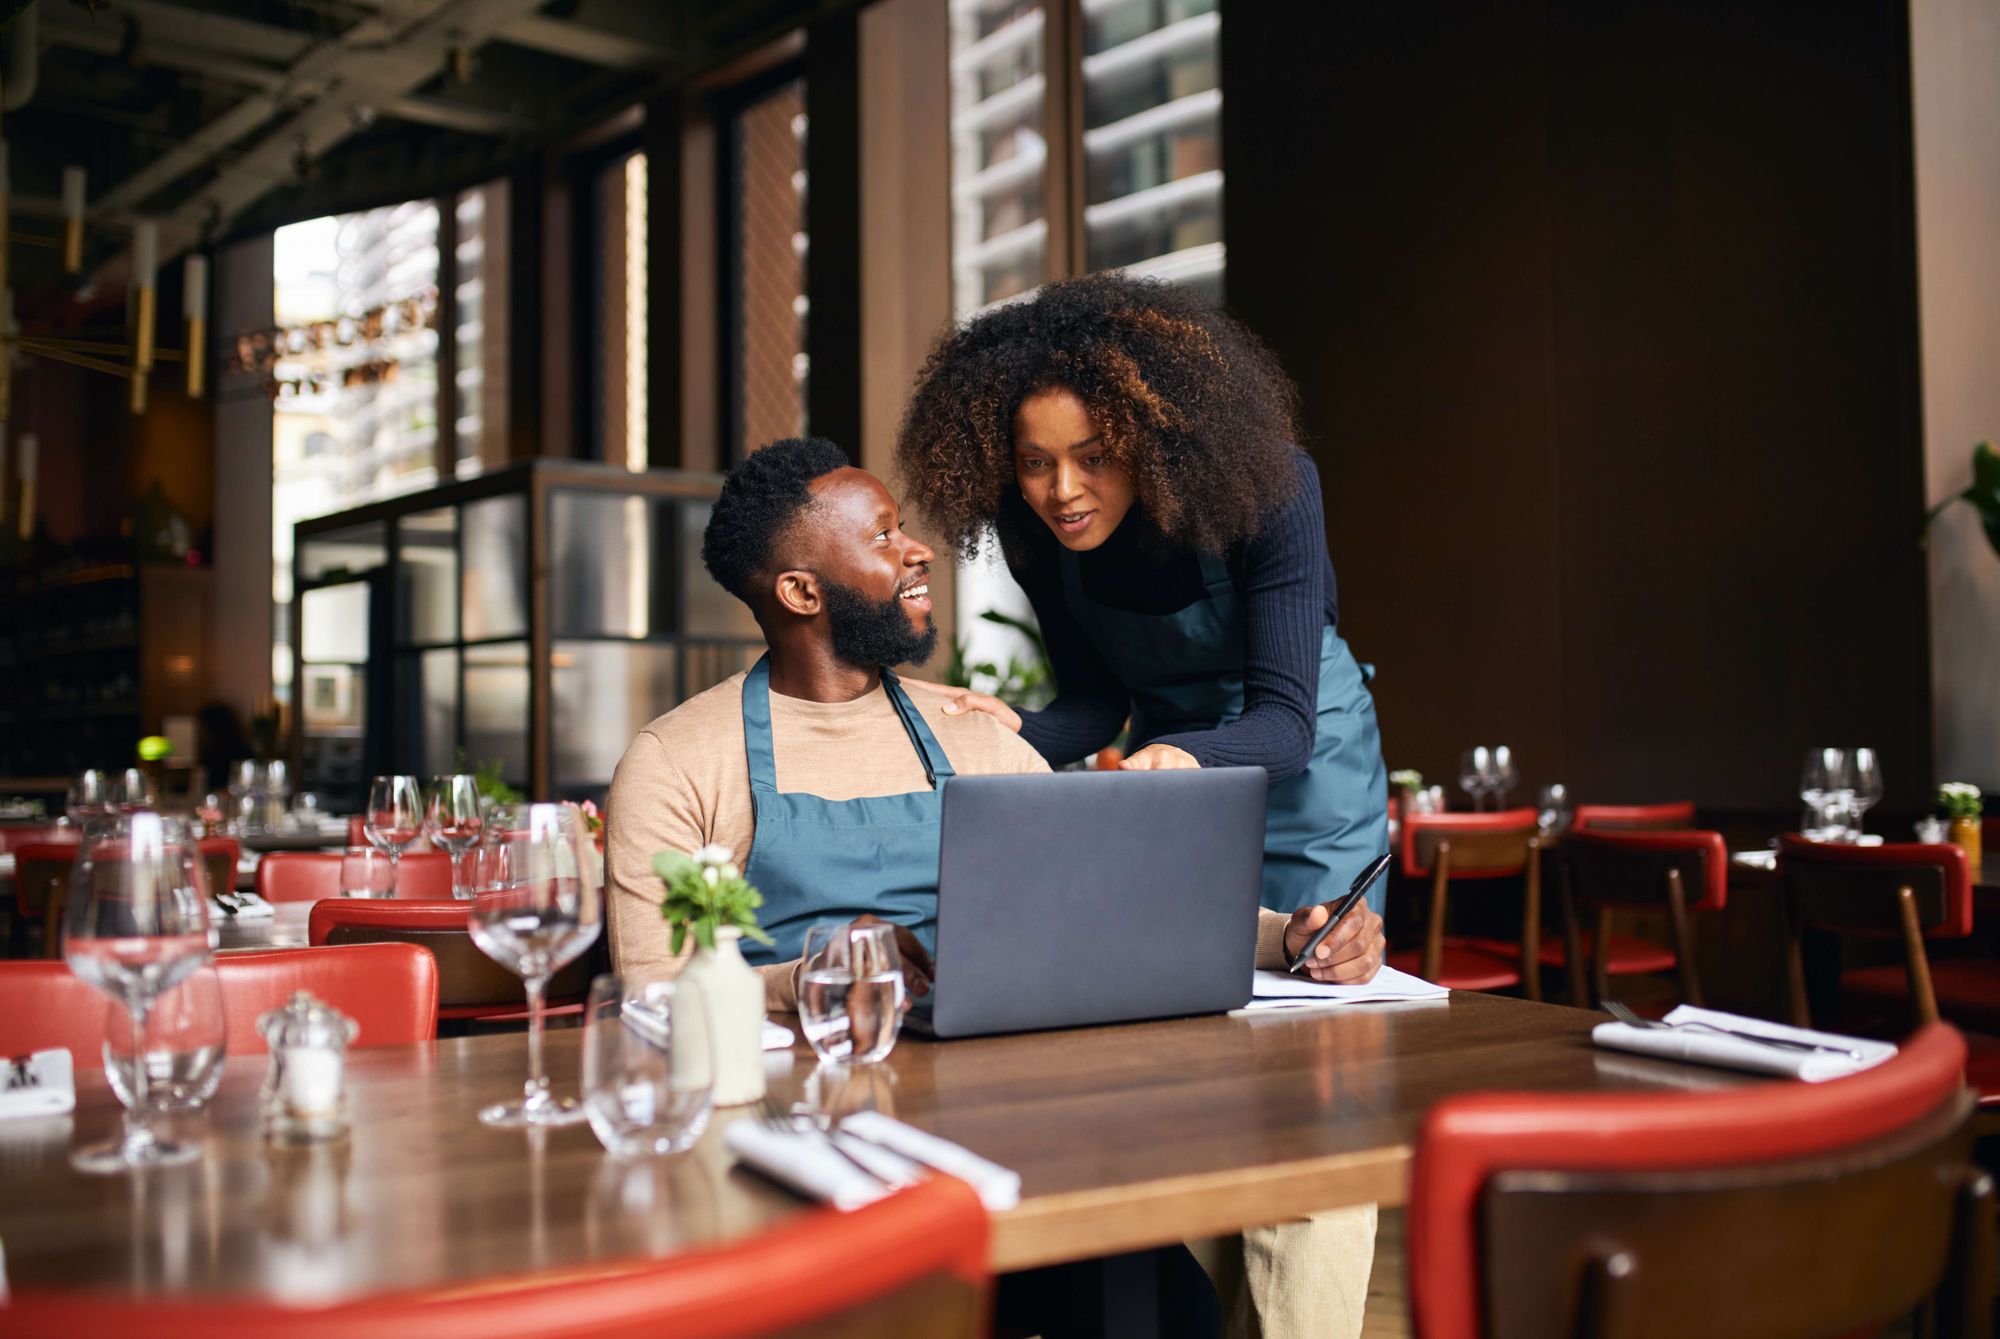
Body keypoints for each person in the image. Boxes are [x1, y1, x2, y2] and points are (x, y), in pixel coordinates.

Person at [605, 437, 1384, 1338]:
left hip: (1020, 1121)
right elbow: (652, 999)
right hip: (813, 1141)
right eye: (884, 536)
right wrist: (817, 975)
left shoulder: (968, 729)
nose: (917, 549)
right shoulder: (678, 762)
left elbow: (1107, 898)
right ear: (802, 592)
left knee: (1209, 1268)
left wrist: (1289, 936)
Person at [894, 273, 1390, 917]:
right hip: (1166, 765)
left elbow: (1284, 728)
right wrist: (1018, 728)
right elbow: (1097, 701)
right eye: (1035, 461)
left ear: (1149, 443)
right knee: (1174, 974)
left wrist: (1180, 753)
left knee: (1317, 977)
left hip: (1310, 774)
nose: (1062, 490)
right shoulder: (1035, 534)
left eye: (1094, 457)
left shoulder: (1273, 492)